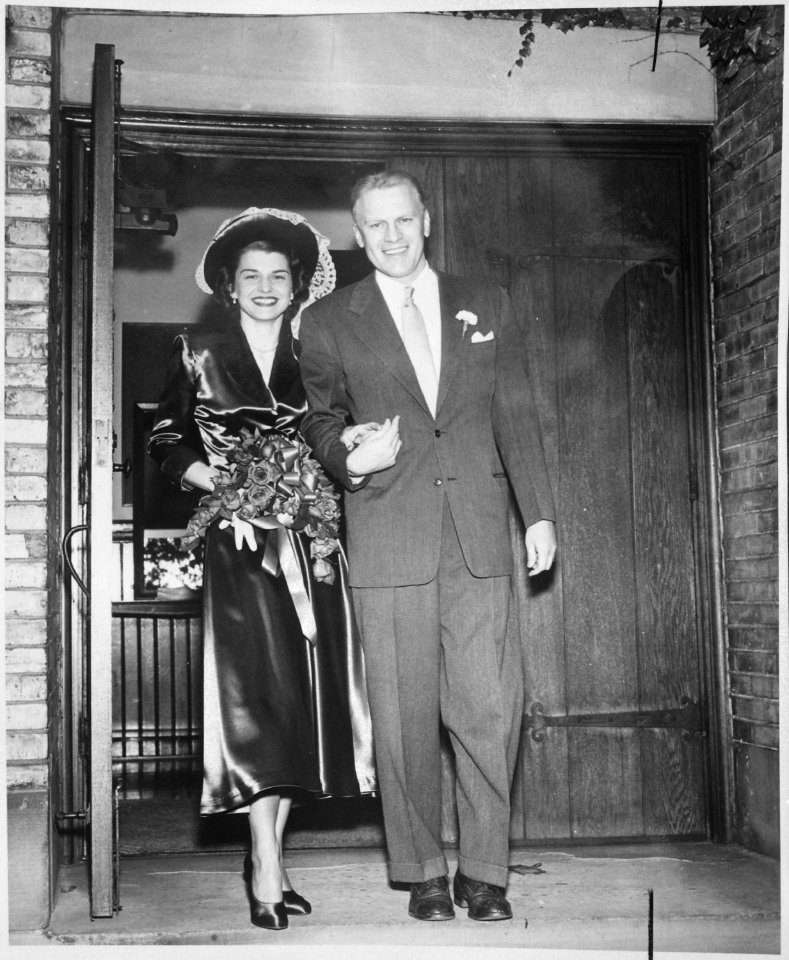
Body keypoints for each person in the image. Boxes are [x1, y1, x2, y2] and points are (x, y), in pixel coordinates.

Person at [298, 170, 557, 923]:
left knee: (487, 707)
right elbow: (318, 419)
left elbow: (517, 411)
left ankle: (485, 871)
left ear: (426, 220)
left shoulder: (488, 301)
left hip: (478, 533)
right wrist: (348, 455)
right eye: (374, 226)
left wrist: (535, 511)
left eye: (402, 221)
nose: (391, 236)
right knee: (404, 714)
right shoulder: (329, 320)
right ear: (357, 232)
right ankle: (421, 872)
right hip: (387, 529)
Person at [148, 207, 376, 931]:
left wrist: (348, 454)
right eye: (252, 276)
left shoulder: (318, 345)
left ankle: (266, 856)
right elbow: (164, 437)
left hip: (311, 544)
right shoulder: (197, 348)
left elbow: (335, 428)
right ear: (229, 284)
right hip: (241, 546)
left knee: (298, 705)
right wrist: (221, 486)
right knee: (255, 706)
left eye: (279, 276)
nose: (266, 287)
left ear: (297, 282)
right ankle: (266, 865)